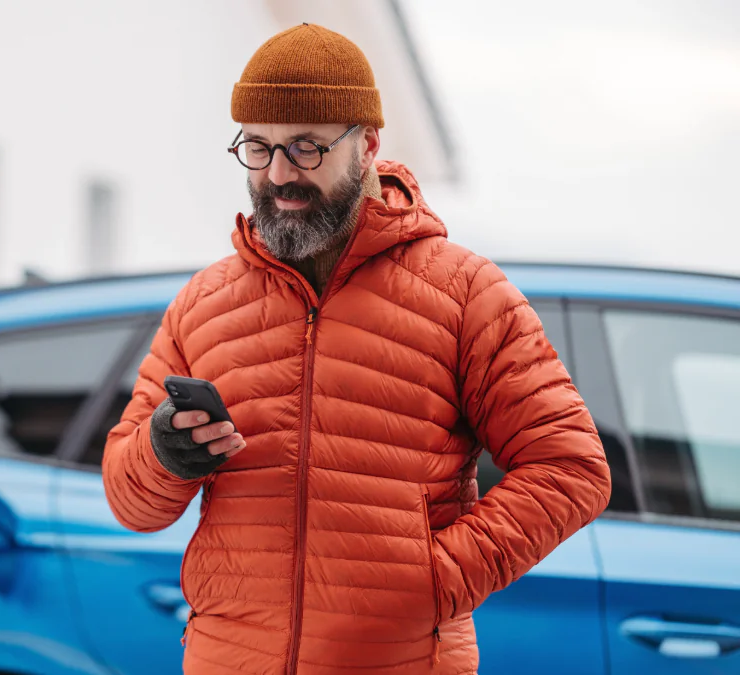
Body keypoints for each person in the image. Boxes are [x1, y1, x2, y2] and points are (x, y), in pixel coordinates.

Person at [100, 22, 611, 675]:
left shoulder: (464, 293)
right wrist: (162, 451)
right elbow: (129, 500)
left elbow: (571, 468)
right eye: (258, 148)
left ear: (367, 145)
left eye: (307, 148)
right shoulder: (205, 304)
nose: (279, 174)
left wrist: (434, 581)